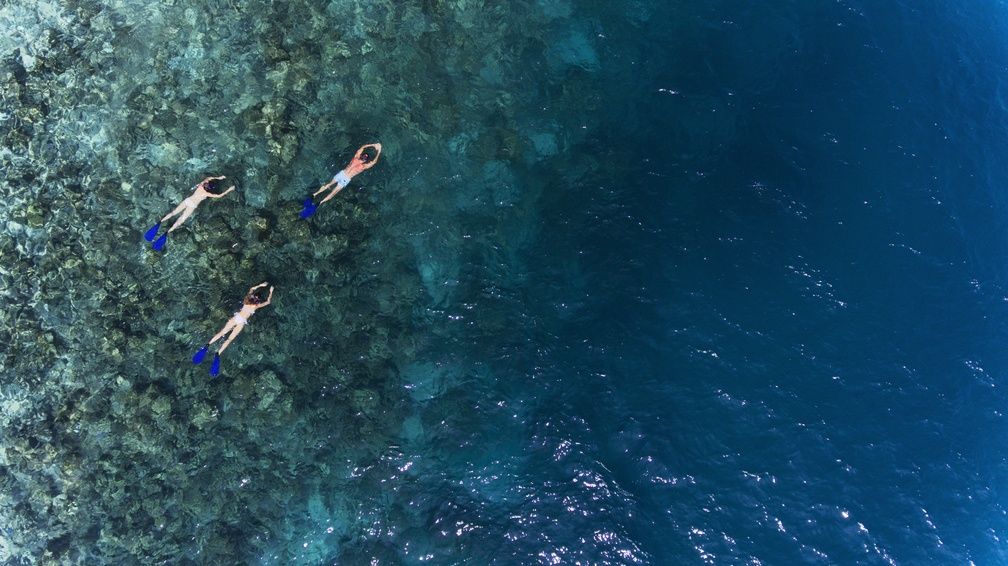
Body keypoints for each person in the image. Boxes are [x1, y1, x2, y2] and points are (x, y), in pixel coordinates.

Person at [192, 282, 274, 377]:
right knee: (229, 339)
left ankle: (207, 345)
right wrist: (271, 292)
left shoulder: (246, 300)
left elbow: (251, 288)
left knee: (222, 332)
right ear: (258, 300)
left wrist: (260, 285)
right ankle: (218, 354)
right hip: (242, 322)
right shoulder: (256, 306)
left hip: (236, 318)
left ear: (253, 296)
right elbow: (268, 302)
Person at [144, 176, 235, 251]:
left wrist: (218, 178)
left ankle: (159, 223)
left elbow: (209, 178)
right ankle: (166, 233)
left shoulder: (201, 185)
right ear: (210, 189)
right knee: (180, 221)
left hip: (187, 201)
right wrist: (229, 189)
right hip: (192, 206)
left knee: (173, 213)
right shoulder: (207, 194)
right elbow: (219, 195)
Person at [300, 143, 382, 218]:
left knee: (328, 185)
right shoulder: (363, 166)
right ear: (366, 160)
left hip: (342, 174)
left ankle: (314, 195)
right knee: (332, 193)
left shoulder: (356, 158)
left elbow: (361, 148)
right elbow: (373, 162)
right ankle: (318, 203)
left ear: (362, 156)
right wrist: (378, 150)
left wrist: (372, 145)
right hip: (345, 178)